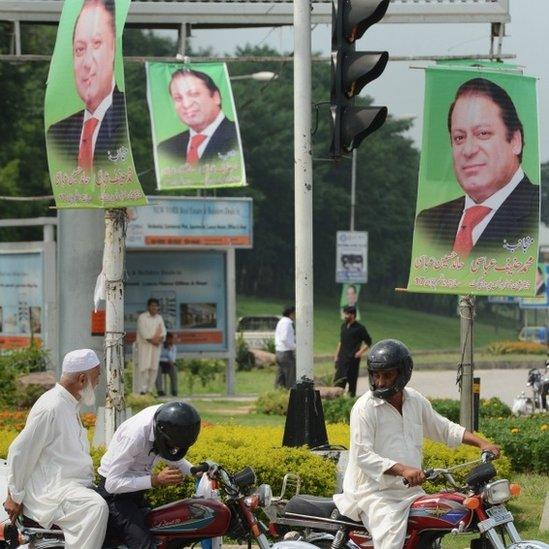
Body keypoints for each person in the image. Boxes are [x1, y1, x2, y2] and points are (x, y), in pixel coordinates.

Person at [334, 339, 501, 549]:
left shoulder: (415, 400)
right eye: (376, 375)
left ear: (403, 373)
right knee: (391, 543)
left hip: (409, 493)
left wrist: (482, 443)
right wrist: (403, 470)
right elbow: (362, 455)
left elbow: (444, 428)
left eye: (387, 375)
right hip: (375, 495)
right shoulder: (365, 408)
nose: (380, 382)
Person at [415, 77, 539, 259]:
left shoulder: (540, 210)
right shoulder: (429, 222)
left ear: (515, 141)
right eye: (459, 138)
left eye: (483, 133)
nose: (468, 150)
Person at [3, 349, 108, 549]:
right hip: (52, 492)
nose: (98, 383)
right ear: (82, 379)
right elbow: (20, 451)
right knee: (95, 507)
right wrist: (14, 496)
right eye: (97, 377)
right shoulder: (51, 407)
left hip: (71, 488)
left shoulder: (69, 404)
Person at [97, 401, 201, 549]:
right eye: (173, 445)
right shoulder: (134, 435)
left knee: (166, 536)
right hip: (116, 498)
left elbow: (166, 452)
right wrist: (155, 480)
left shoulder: (168, 418)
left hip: (136, 493)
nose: (175, 449)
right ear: (161, 432)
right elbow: (112, 484)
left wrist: (196, 471)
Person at [47, 0, 128, 172]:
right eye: (80, 49)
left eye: (97, 44)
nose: (87, 63)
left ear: (114, 48)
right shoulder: (57, 134)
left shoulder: (130, 119)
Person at [157, 69, 239, 166]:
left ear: (215, 97)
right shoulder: (166, 149)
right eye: (178, 98)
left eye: (193, 94)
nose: (186, 104)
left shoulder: (239, 135)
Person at [333, 305, 371, 397]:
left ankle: (350, 403)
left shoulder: (360, 328)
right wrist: (336, 355)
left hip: (353, 360)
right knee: (338, 382)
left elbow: (368, 342)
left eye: (346, 314)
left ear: (352, 315)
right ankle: (337, 401)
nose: (345, 316)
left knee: (352, 382)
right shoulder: (343, 326)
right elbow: (341, 342)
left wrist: (360, 353)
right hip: (342, 359)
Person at [136, 298, 166, 394]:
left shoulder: (159, 318)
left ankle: (149, 390)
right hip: (145, 347)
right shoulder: (142, 317)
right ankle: (142, 390)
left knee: (154, 368)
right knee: (144, 368)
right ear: (148, 307)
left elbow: (163, 332)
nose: (154, 307)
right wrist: (153, 340)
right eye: (152, 305)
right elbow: (143, 333)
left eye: (156, 306)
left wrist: (159, 340)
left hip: (155, 347)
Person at [274, 306, 296, 389]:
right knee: (290, 376)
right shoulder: (287, 323)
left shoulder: (281, 321)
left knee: (280, 376)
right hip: (286, 352)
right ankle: (290, 394)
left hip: (279, 352)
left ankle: (278, 393)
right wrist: (294, 346)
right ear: (291, 314)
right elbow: (284, 338)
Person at [155, 332, 178, 397]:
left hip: (169, 363)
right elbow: (158, 356)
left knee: (174, 369)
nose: (170, 341)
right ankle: (160, 390)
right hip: (160, 363)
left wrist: (169, 350)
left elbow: (172, 359)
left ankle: (174, 390)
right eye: (169, 339)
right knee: (157, 370)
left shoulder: (173, 347)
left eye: (171, 339)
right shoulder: (160, 346)